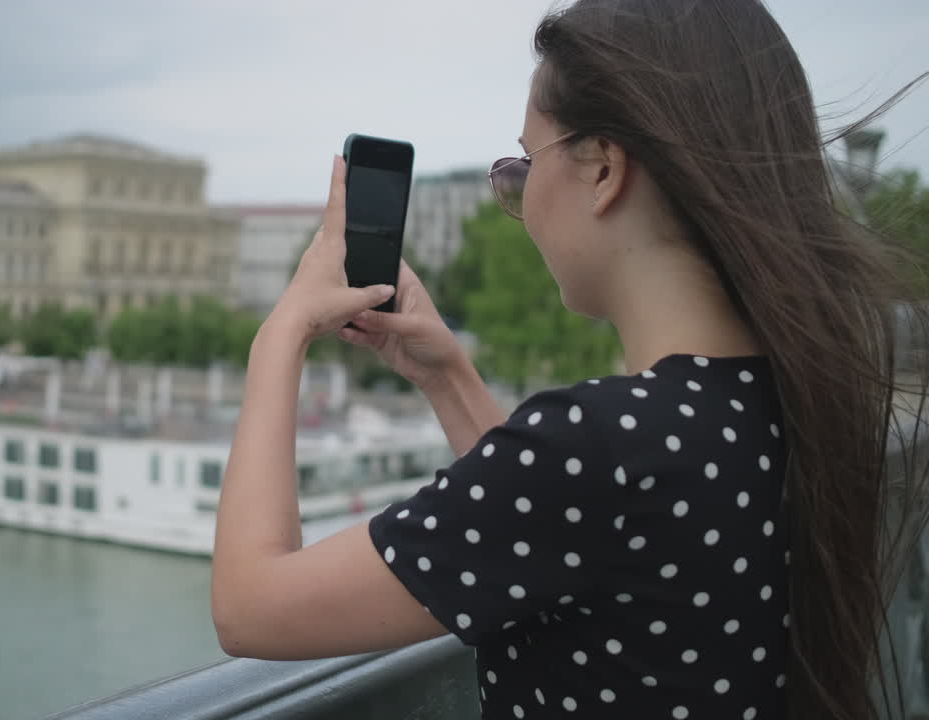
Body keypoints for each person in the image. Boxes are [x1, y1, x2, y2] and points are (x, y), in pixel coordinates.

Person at [210, 1, 929, 718]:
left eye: (526, 160)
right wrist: (445, 375)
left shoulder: (597, 445)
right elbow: (559, 527)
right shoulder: (786, 402)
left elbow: (250, 606)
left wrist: (283, 332)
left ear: (604, 169)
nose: (517, 189)